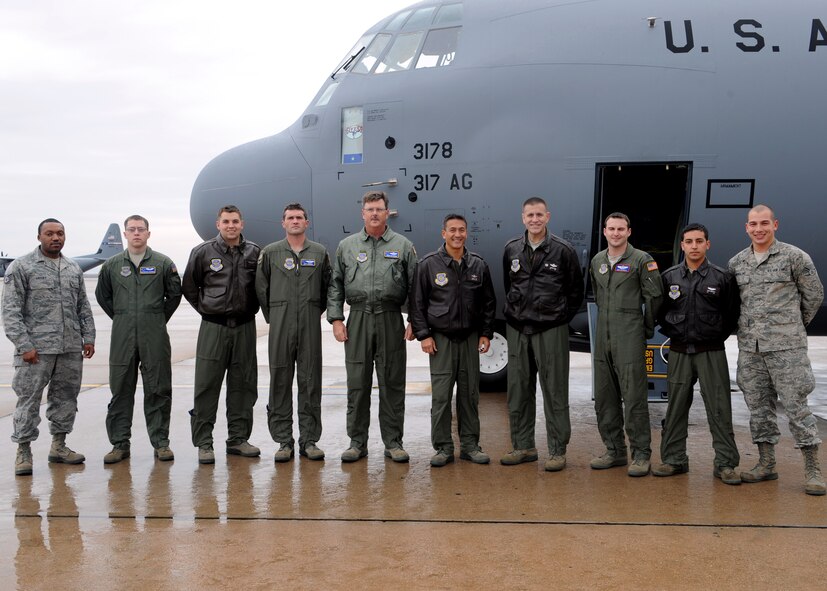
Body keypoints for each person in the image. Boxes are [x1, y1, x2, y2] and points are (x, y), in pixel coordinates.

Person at [728, 204, 825, 495]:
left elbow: (814, 295)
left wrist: (792, 326)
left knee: (797, 407)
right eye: (753, 224)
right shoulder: (737, 263)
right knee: (758, 408)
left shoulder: (795, 257)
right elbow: (735, 304)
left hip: (787, 349)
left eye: (764, 223)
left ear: (775, 225)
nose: (759, 229)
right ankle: (766, 464)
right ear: (746, 227)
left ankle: (812, 469)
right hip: (751, 349)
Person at [327, 191, 417, 463]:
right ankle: (357, 442)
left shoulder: (403, 246)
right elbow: (336, 285)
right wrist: (336, 319)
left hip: (391, 319)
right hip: (358, 318)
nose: (375, 213)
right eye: (370, 209)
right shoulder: (347, 246)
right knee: (357, 383)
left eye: (379, 209)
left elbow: (416, 287)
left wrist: (414, 319)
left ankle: (393, 442)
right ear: (362, 214)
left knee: (392, 383)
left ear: (388, 212)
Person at [2, 219, 95, 476]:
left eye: (60, 233)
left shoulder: (72, 268)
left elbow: (82, 306)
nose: (56, 238)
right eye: (50, 234)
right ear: (39, 236)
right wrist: (24, 345)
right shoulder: (22, 267)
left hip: (69, 348)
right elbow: (10, 311)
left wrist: (88, 338)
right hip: (36, 351)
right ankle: (23, 450)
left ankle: (59, 446)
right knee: (28, 400)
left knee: (65, 398)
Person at [653, 223, 742, 484]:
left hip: (711, 352)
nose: (694, 246)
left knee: (719, 408)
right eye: (689, 241)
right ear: (682, 245)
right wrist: (677, 332)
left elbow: (731, 315)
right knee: (676, 407)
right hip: (679, 352)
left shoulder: (721, 278)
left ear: (707, 245)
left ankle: (725, 464)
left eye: (699, 241)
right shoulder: (669, 277)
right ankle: (674, 459)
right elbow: (660, 313)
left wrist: (712, 335)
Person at [499, 198, 584, 470]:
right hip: (518, 328)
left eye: (539, 215)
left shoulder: (563, 251)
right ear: (522, 218)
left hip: (551, 329)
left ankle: (557, 451)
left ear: (547, 216)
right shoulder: (512, 249)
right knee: (518, 391)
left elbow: (575, 293)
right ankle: (523, 447)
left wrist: (558, 317)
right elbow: (508, 284)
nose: (534, 219)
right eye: (529, 215)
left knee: (555, 391)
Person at [410, 213, 496, 467]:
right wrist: (424, 335)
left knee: (469, 396)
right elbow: (417, 303)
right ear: (443, 233)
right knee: (441, 397)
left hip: (469, 339)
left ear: (466, 233)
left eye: (461, 230)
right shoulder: (428, 265)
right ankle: (443, 447)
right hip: (441, 340)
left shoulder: (478, 265)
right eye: (452, 230)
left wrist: (486, 333)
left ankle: (470, 445)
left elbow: (489, 303)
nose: (457, 235)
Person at [95, 215, 182, 463]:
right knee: (120, 388)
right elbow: (103, 296)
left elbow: (174, 295)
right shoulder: (112, 265)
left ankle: (161, 443)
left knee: (158, 388)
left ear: (148, 234)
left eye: (140, 229)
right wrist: (123, 317)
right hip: (122, 333)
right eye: (131, 230)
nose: (136, 233)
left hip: (154, 333)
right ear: (125, 234)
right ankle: (120, 444)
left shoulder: (163, 263)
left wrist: (154, 318)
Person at [182, 205, 261, 465]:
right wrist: (208, 309)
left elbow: (261, 287)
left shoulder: (254, 252)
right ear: (218, 224)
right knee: (207, 385)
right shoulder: (203, 252)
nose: (231, 225)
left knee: (243, 384)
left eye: (235, 221)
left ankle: (238, 439)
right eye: (226, 221)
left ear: (242, 224)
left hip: (244, 327)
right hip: (213, 328)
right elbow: (190, 287)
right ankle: (204, 442)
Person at [589, 212, 663, 476]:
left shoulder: (642, 260)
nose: (616, 233)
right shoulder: (598, 260)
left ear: (629, 232)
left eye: (621, 229)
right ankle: (615, 450)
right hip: (603, 335)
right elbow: (598, 296)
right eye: (611, 229)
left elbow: (654, 297)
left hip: (629, 334)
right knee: (605, 396)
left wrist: (643, 328)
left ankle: (641, 454)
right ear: (605, 231)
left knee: (633, 398)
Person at [256, 203, 331, 463]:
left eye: (300, 217)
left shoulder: (319, 253)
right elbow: (261, 289)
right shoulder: (271, 253)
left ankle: (309, 440)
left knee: (310, 381)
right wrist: (276, 315)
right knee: (279, 381)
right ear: (283, 223)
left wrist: (312, 311)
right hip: (280, 323)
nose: (295, 221)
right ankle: (283, 441)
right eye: (290, 217)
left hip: (309, 323)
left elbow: (326, 289)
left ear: (307, 223)